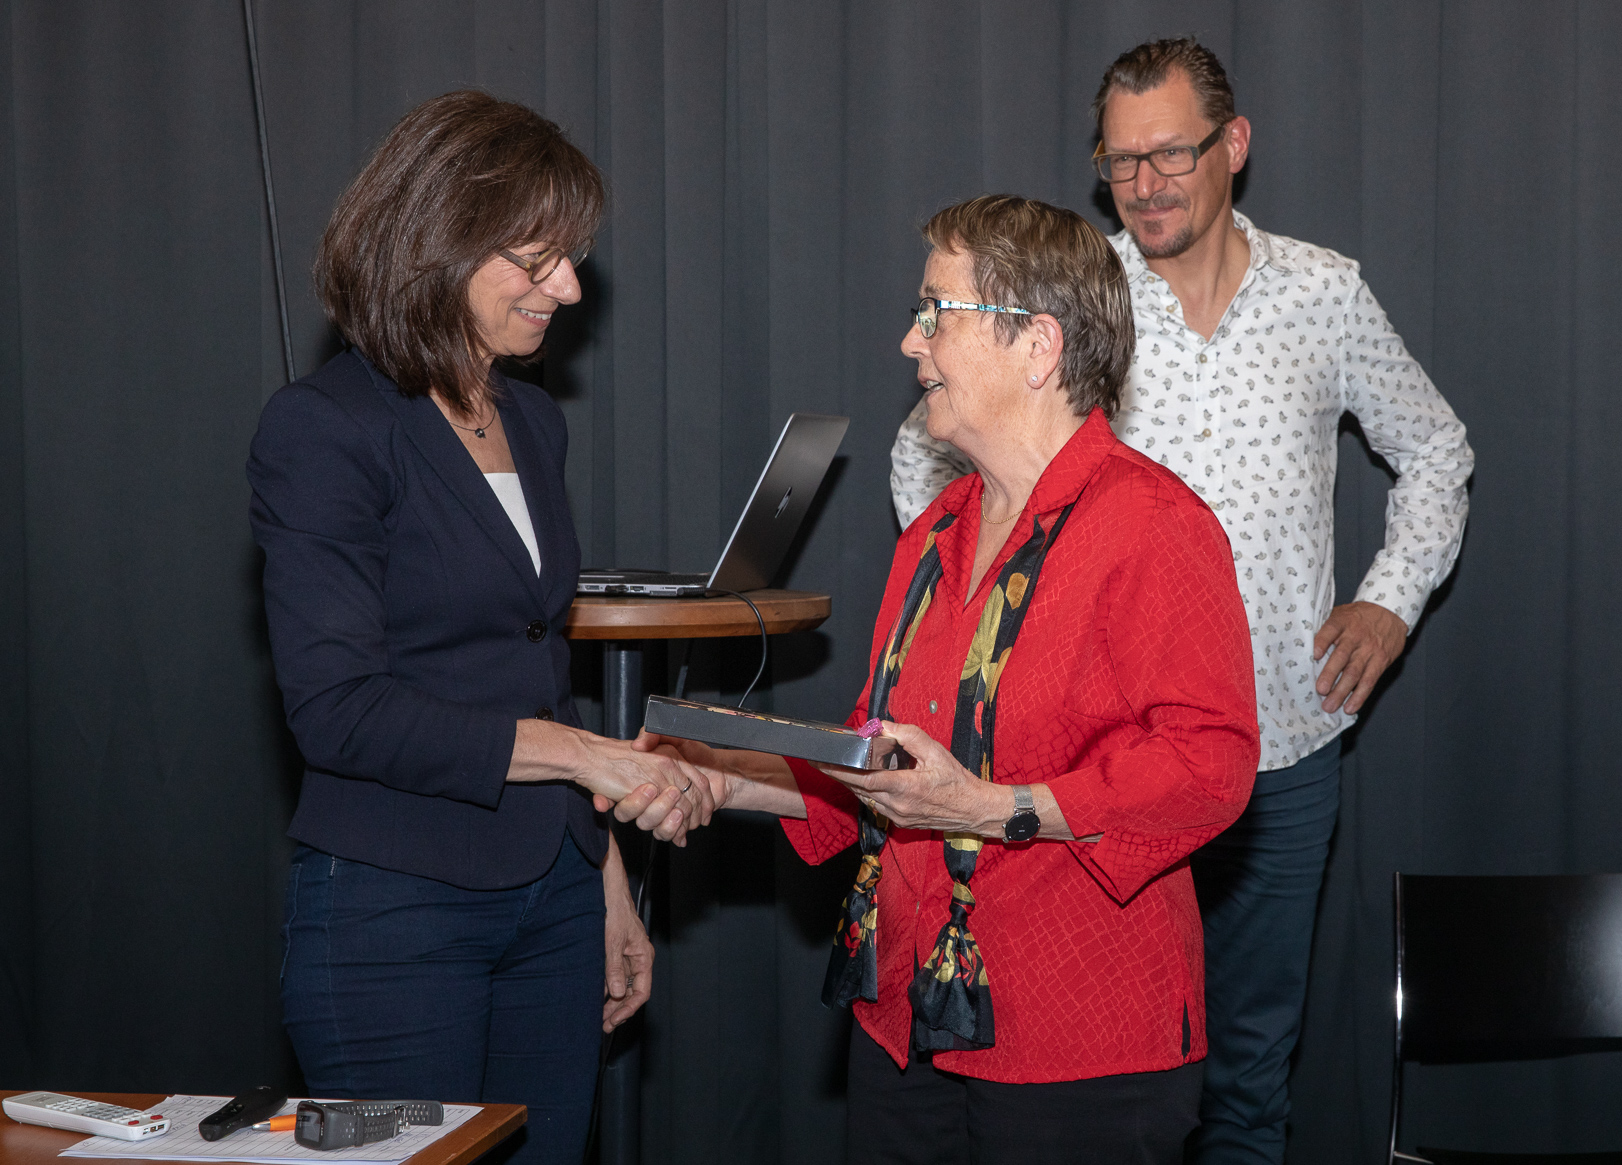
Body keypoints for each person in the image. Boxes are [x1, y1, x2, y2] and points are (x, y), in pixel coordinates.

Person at [888, 40, 1475, 1164]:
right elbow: (921, 469)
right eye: (1119, 162)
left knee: (1249, 1076)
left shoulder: (1322, 290)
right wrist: (967, 626)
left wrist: (1389, 601)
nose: (1145, 182)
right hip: (1083, 769)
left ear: (1233, 145)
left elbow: (1436, 447)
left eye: (1168, 153)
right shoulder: (1067, 300)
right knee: (1096, 1073)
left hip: (1280, 754)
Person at [625, 195, 1260, 1163]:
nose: (907, 341)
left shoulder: (1152, 526)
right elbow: (881, 773)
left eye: (935, 311)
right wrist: (714, 772)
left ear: (1036, 345)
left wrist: (998, 804)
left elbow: (1208, 767)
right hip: (908, 1018)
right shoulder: (933, 533)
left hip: (1077, 1042)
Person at [247, 91, 715, 1164]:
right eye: (537, 257)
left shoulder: (533, 420)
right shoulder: (325, 428)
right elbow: (339, 710)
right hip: (393, 914)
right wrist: (593, 757)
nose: (570, 286)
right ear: (435, 242)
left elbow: (536, 670)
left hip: (551, 899)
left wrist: (601, 880)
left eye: (572, 257)